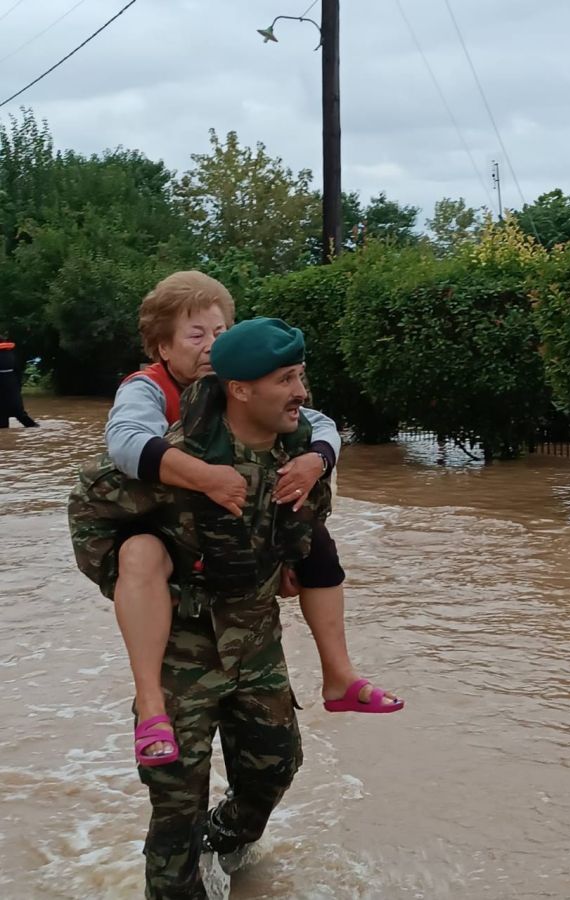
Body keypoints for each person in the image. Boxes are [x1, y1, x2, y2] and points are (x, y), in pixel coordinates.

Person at [70, 318, 335, 897]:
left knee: (276, 769)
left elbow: (311, 527)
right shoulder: (178, 462)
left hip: (257, 643)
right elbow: (89, 505)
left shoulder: (302, 458)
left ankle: (227, 840)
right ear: (240, 390)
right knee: (175, 809)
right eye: (287, 379)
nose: (302, 392)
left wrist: (288, 561)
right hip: (180, 654)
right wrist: (130, 572)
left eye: (301, 376)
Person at [104, 271, 402, 763]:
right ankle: (152, 702)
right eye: (195, 335)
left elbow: (319, 426)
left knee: (318, 541)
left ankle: (339, 674)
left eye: (220, 333)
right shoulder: (148, 389)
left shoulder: (244, 386)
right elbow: (127, 443)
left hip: (236, 542)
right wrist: (204, 476)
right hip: (165, 524)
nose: (210, 346)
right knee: (140, 554)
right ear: (162, 348)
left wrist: (315, 460)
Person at [0, 337, 39, 428]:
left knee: (3, 416)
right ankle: (34, 428)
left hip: (8, 386)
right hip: (13, 386)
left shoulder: (10, 355)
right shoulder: (12, 354)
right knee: (19, 412)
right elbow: (18, 372)